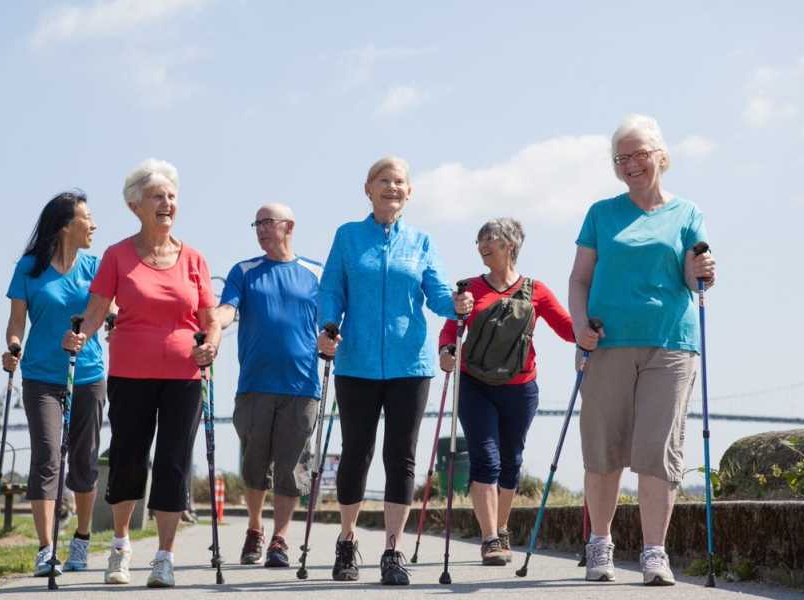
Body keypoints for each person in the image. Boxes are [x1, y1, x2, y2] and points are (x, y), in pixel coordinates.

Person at [569, 114, 717, 586]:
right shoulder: (600, 213)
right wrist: (578, 327)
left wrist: (705, 270)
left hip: (671, 344)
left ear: (661, 157)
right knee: (604, 450)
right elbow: (579, 279)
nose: (631, 164)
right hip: (607, 341)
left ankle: (655, 552)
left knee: (657, 451)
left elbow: (695, 277)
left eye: (640, 154)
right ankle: (600, 543)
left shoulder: (688, 213)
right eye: (622, 158)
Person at [62, 158, 221, 589]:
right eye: (157, 196)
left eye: (171, 196)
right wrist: (79, 335)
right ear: (135, 205)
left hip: (184, 376)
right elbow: (95, 311)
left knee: (172, 464)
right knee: (129, 458)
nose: (166, 203)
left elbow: (210, 318)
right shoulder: (116, 255)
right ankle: (120, 546)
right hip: (130, 374)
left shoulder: (194, 259)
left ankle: (164, 557)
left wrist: (211, 344)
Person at [317, 156, 473, 586]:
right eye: (383, 180)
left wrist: (457, 304)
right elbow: (331, 289)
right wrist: (327, 327)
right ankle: (347, 541)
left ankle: (392, 549)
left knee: (401, 457)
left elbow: (438, 295)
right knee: (356, 453)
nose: (392, 187)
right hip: (357, 363)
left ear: (410, 191)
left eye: (399, 181)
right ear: (367, 188)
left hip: (410, 363)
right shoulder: (348, 237)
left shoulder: (421, 241)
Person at [438, 218, 575, 566]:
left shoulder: (536, 290)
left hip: (520, 388)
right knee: (487, 458)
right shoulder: (468, 289)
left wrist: (599, 324)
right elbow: (450, 330)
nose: (482, 245)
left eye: (490, 240)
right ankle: (489, 539)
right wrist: (446, 353)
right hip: (474, 384)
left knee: (511, 461)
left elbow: (567, 328)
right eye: (479, 240)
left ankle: (500, 528)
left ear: (510, 245)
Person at [2, 191, 106, 577]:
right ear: (66, 225)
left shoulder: (96, 266)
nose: (94, 225)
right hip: (41, 376)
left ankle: (80, 539)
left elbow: (108, 308)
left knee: (83, 458)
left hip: (88, 373)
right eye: (87, 217)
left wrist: (101, 323)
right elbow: (17, 323)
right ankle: (46, 549)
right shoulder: (29, 268)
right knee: (46, 457)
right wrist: (13, 346)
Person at [216, 203, 323, 568]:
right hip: (255, 384)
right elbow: (227, 308)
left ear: (288, 226)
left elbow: (332, 320)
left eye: (267, 222)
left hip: (302, 385)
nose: (260, 229)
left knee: (292, 468)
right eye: (256, 223)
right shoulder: (244, 271)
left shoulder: (315, 272)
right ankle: (254, 529)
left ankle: (279, 539)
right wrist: (216, 322)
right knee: (253, 465)